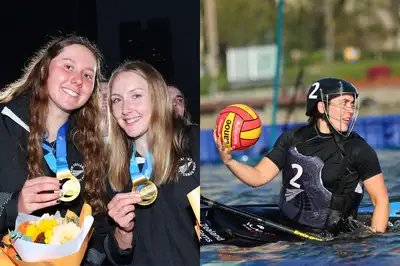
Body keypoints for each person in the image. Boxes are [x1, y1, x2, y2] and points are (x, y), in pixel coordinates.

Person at [214, 77, 389, 234]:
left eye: (352, 104)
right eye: (344, 103)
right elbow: (258, 177)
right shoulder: (292, 138)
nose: (350, 110)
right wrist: (229, 161)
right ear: (322, 107)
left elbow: (380, 199)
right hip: (286, 228)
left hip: (334, 241)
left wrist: (374, 239)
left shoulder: (358, 149)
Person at [0, 35, 108, 264]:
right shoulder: (5, 125)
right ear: (44, 70)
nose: (77, 79)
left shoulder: (88, 144)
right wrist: (15, 206)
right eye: (68, 66)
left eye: (87, 75)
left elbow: (98, 227)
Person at [101, 60, 199, 265]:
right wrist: (122, 231)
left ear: (157, 98)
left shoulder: (191, 143)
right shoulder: (113, 169)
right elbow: (115, 257)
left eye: (136, 96)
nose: (126, 109)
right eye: (117, 100)